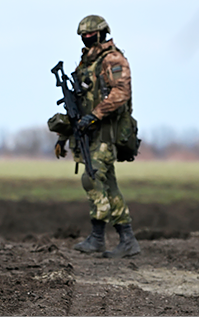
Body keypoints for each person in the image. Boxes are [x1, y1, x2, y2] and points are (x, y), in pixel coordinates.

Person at [54, 15, 140, 258]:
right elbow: (76, 106)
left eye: (91, 35)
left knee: (91, 179)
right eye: (83, 35)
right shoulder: (85, 64)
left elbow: (121, 93)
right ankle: (127, 239)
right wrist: (63, 136)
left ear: (102, 33)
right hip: (88, 132)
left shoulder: (113, 59)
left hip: (106, 131)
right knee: (108, 185)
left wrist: (94, 115)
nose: (87, 39)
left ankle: (98, 237)